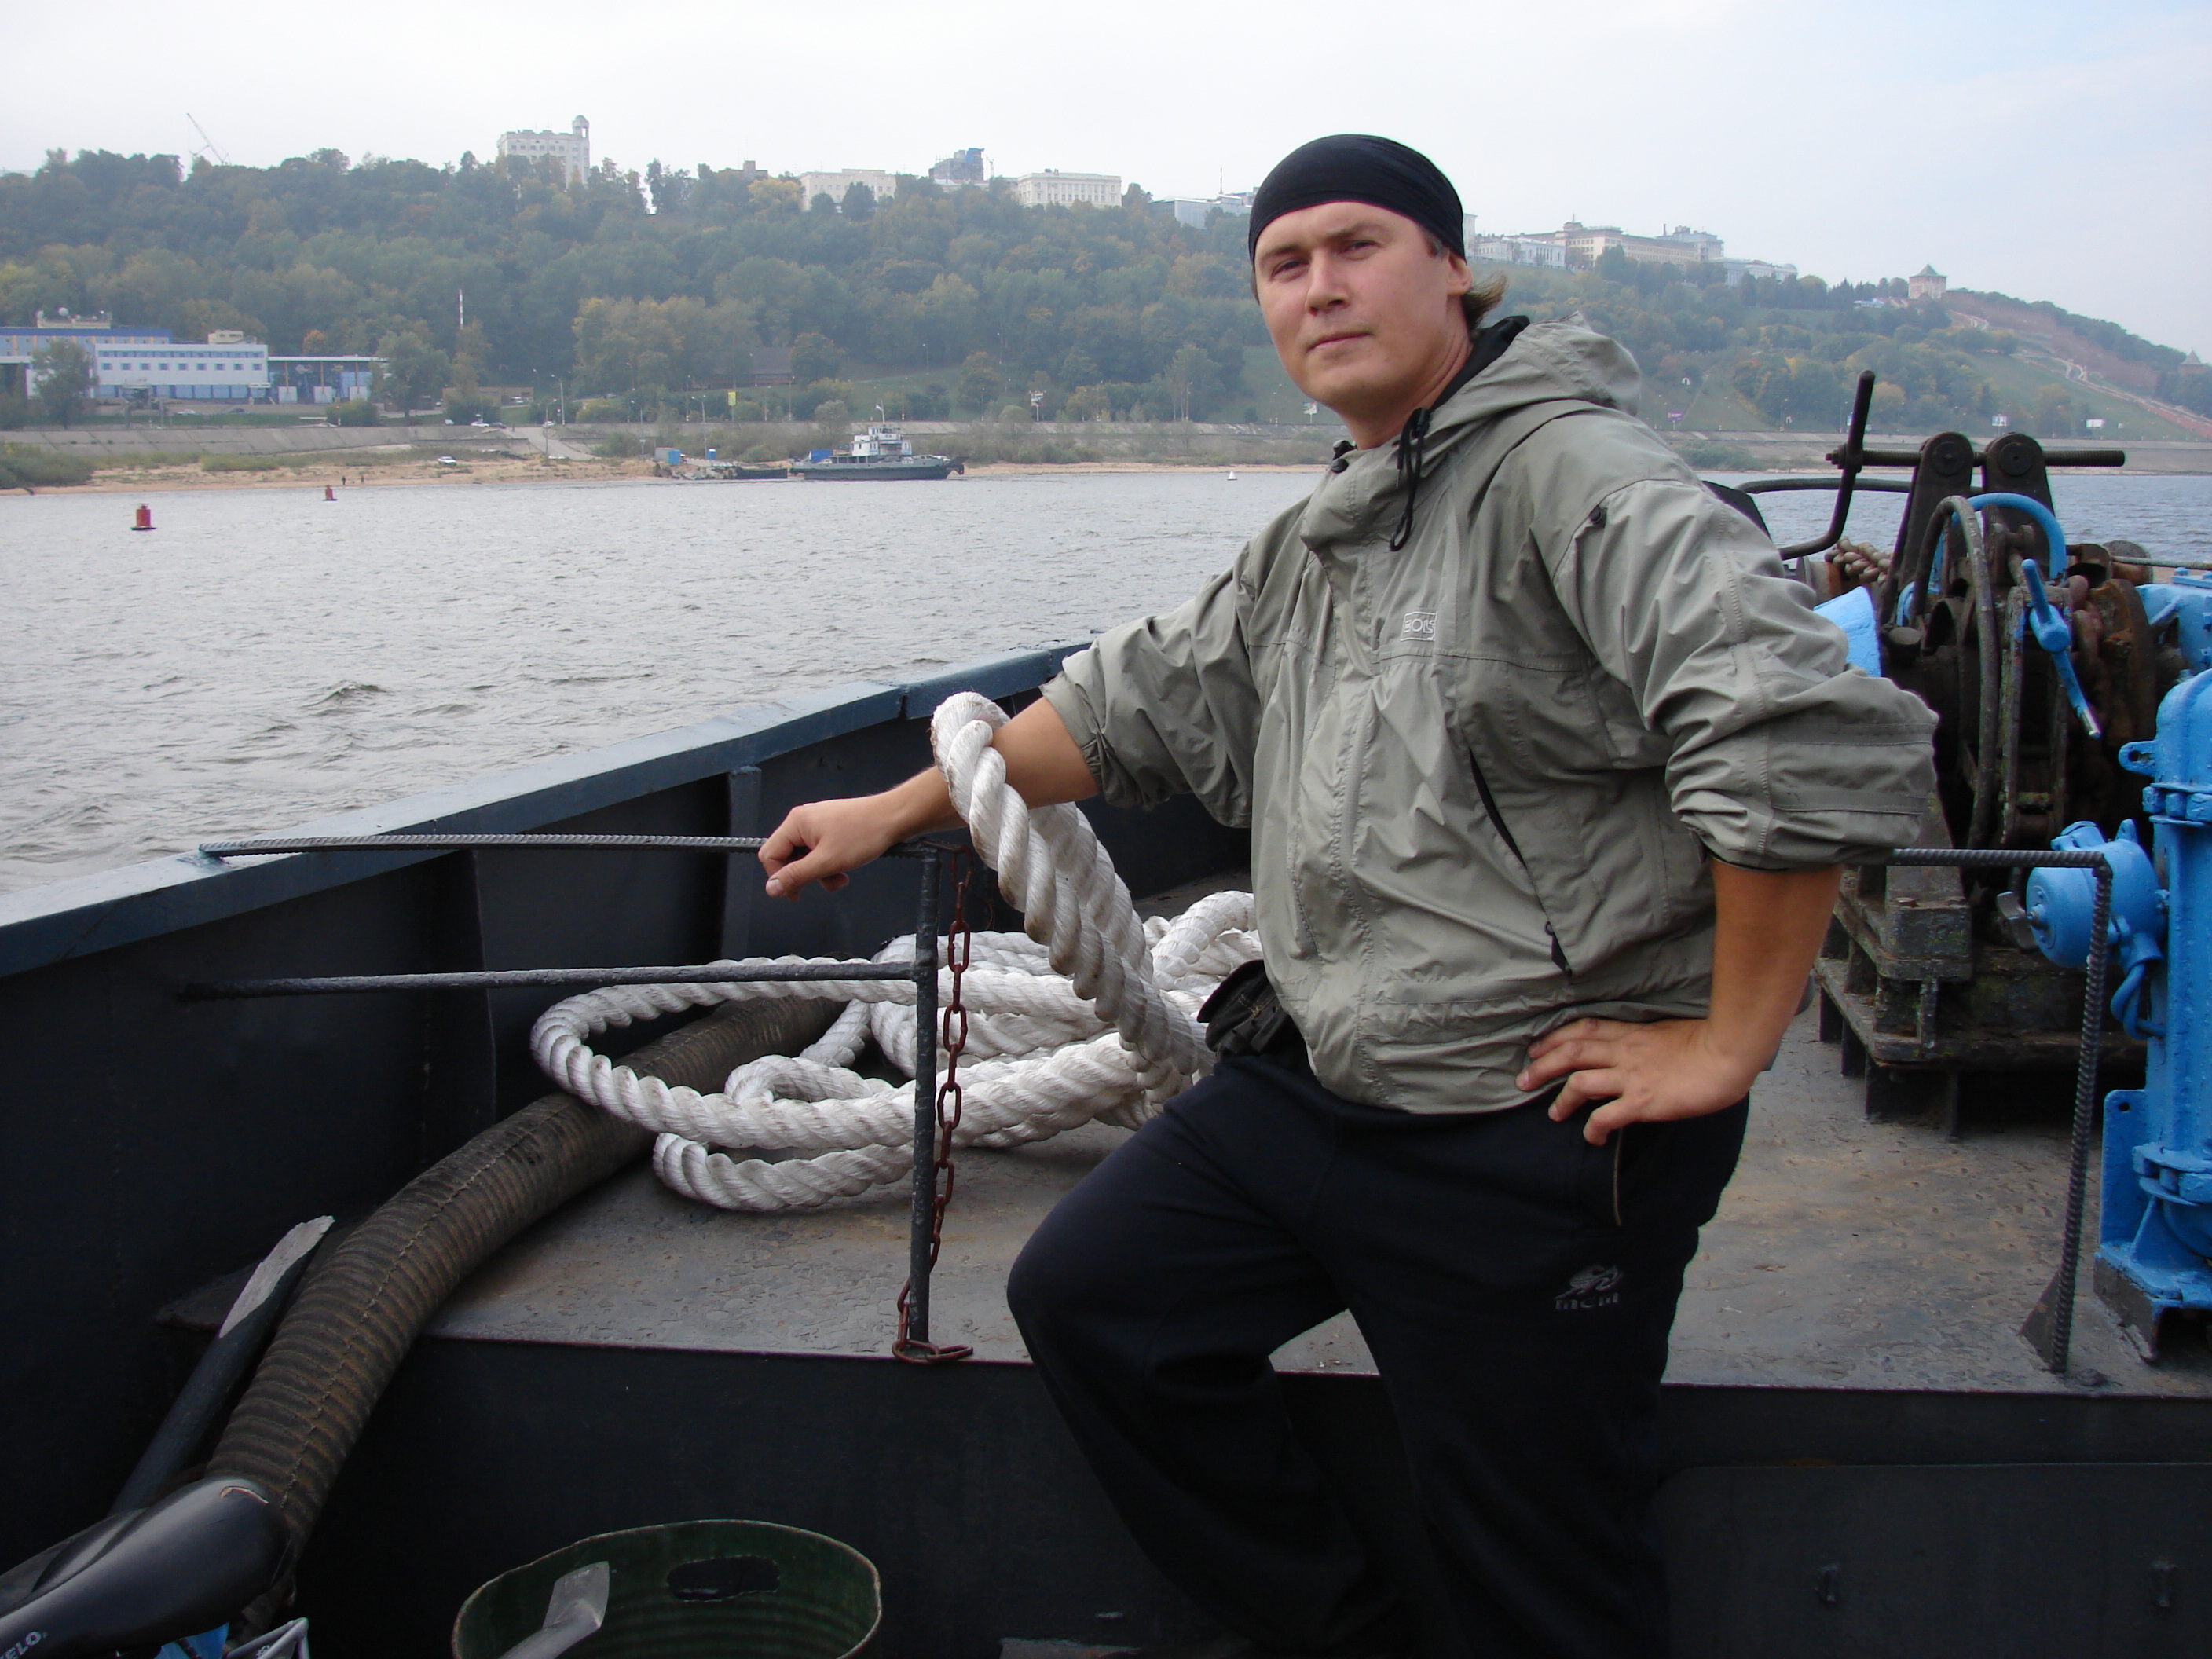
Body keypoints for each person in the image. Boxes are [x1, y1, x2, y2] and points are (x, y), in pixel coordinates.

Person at [759, 136, 1936, 1659]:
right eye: (1283, 263)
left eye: (1357, 245)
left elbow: (1786, 721)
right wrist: (895, 807)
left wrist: (1729, 1042)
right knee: (1100, 1303)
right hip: (1332, 1078)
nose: (1319, 287)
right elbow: (1130, 702)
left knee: (1540, 1571)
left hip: (1529, 1118)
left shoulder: (1574, 477)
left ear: (1453, 269)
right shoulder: (1333, 529)